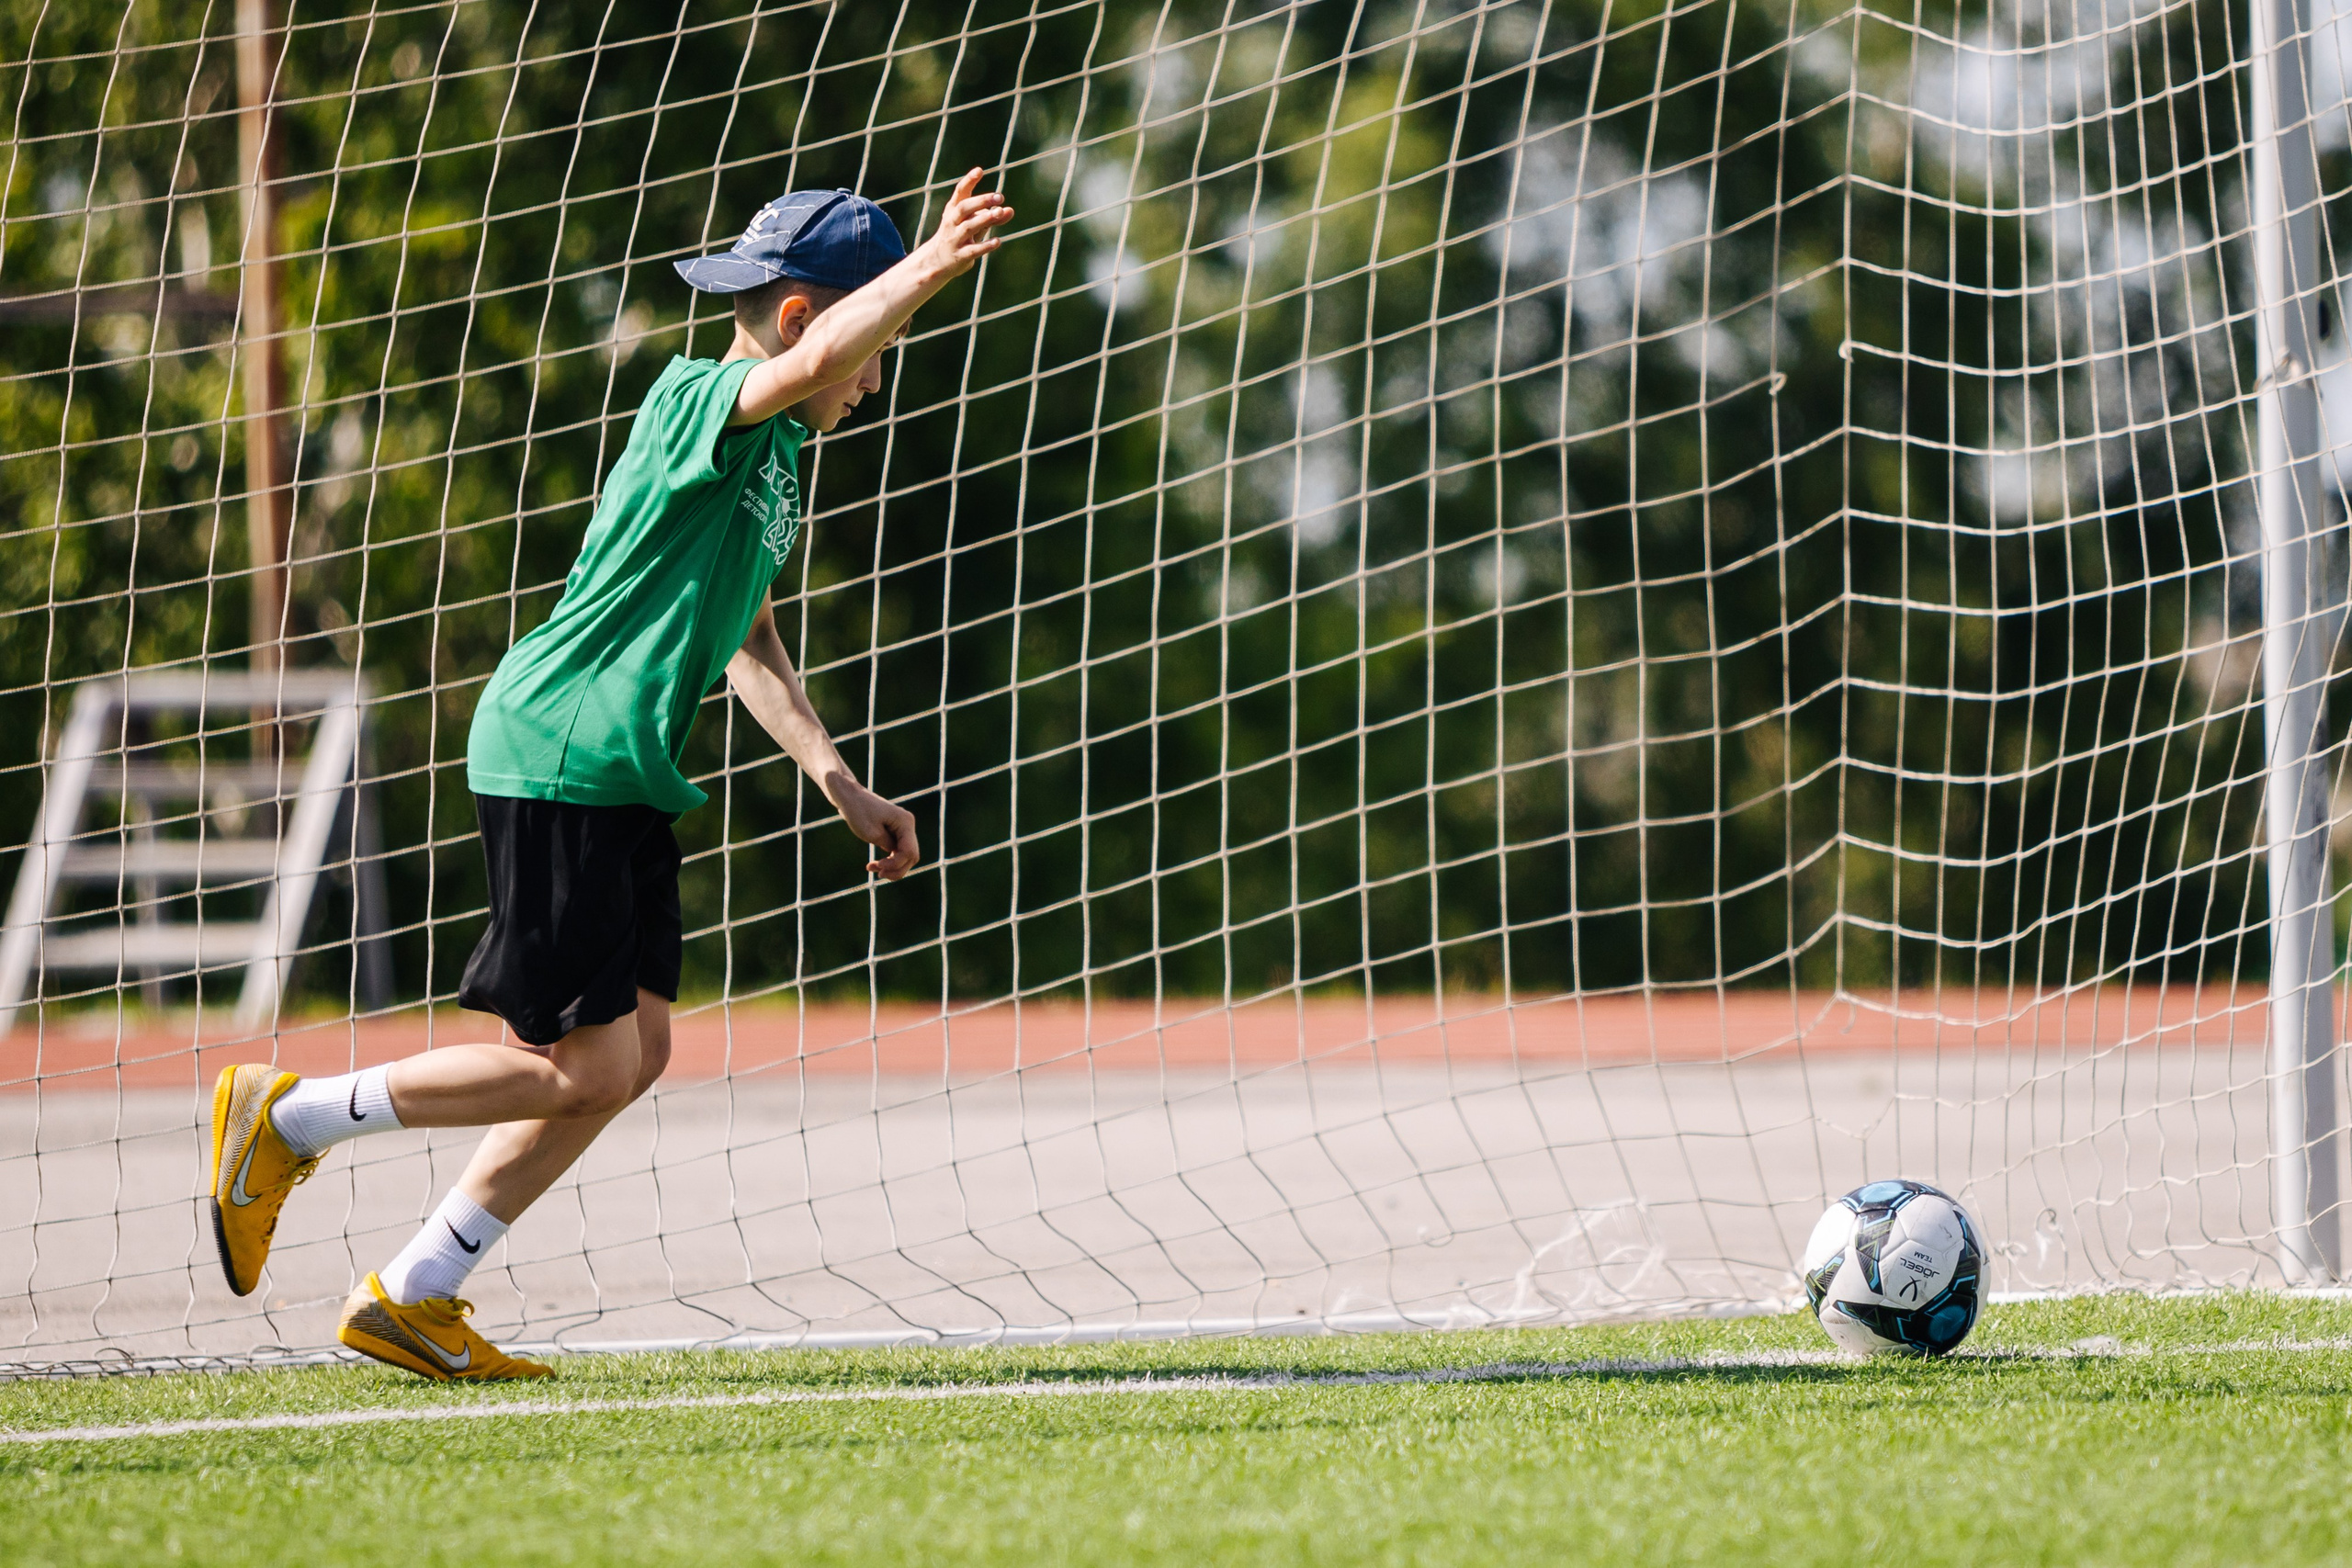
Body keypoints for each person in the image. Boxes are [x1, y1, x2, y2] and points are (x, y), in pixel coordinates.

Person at [206, 171, 1015, 1381]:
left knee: (635, 1052)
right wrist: (932, 267)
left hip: (622, 771)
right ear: (804, 320)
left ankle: (416, 1290)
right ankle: (288, 1119)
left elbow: (748, 632)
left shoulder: (776, 452)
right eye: (875, 345)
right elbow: (802, 371)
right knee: (573, 1066)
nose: (877, 376)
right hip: (562, 751)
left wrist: (838, 778)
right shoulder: (706, 397)